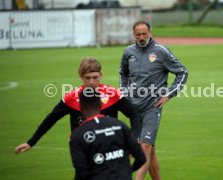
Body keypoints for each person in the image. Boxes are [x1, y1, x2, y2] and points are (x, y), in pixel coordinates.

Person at [15, 57, 140, 154]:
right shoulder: (71, 98)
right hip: (83, 148)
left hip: (110, 147)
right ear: (81, 77)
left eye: (95, 77)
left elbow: (134, 114)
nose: (91, 82)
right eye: (87, 78)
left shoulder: (113, 94)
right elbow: (51, 119)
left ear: (101, 75)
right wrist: (31, 142)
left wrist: (133, 142)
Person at [119, 20, 188, 180]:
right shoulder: (128, 52)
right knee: (149, 148)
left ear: (150, 32)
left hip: (152, 106)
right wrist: (124, 92)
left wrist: (169, 94)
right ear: (133, 34)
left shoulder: (161, 51)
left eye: (144, 34)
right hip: (133, 108)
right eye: (138, 34)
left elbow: (182, 72)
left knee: (144, 146)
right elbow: (123, 73)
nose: (142, 37)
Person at [69, 88, 146, 180]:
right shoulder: (120, 125)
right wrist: (128, 171)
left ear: (80, 108)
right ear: (101, 105)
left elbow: (82, 173)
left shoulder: (77, 135)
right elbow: (141, 158)